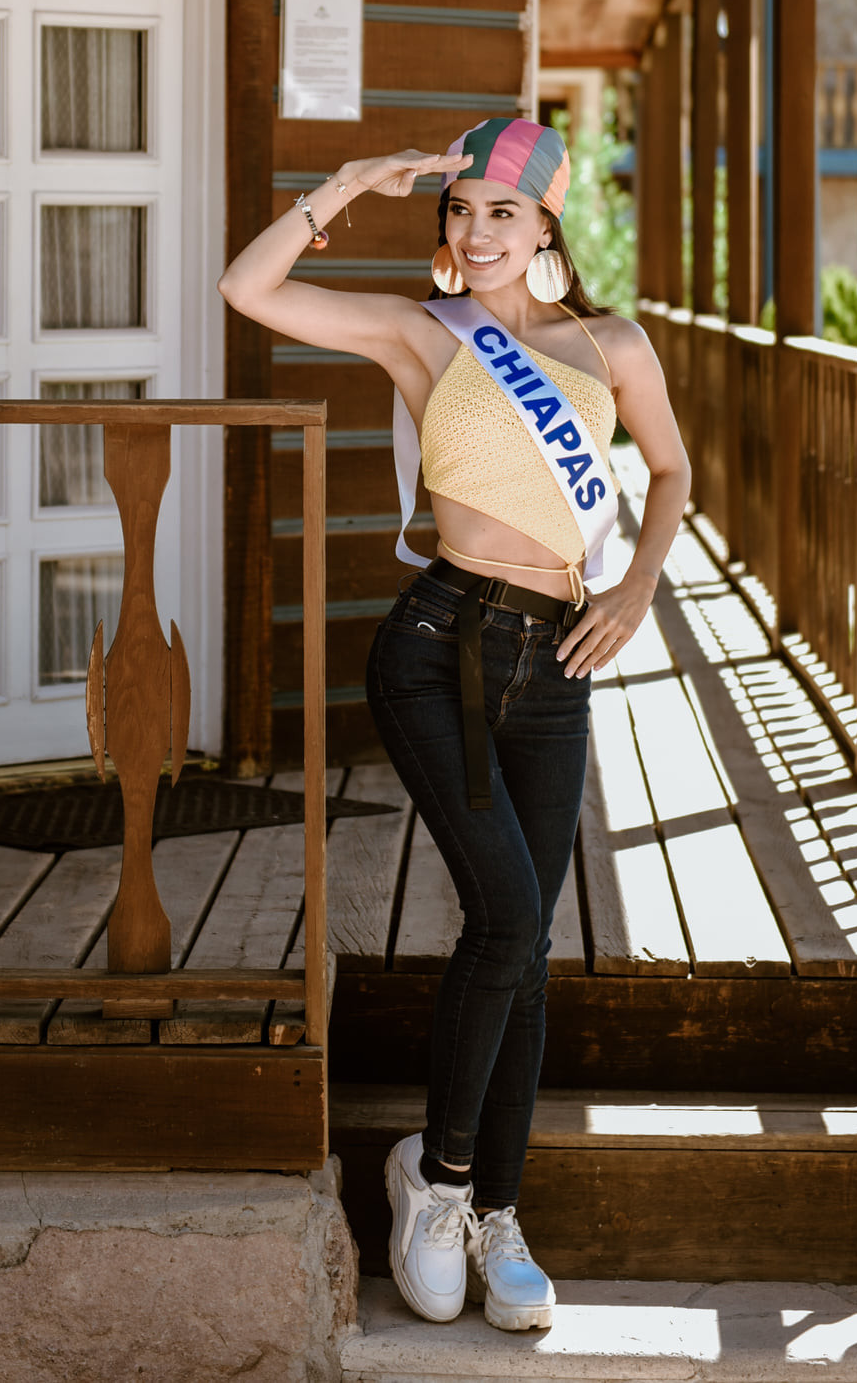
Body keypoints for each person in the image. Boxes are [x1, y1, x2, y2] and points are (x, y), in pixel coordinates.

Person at [219, 117, 690, 1333]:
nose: (474, 232)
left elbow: (673, 473)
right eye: (460, 209)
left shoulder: (612, 343)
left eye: (500, 212)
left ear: (546, 227)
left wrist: (636, 588)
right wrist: (352, 185)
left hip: (560, 659)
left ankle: (495, 1212)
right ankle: (438, 1178)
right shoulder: (423, 332)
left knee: (523, 947)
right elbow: (247, 287)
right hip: (434, 650)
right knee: (514, 916)